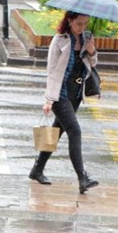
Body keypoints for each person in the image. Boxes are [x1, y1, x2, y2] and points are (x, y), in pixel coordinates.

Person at [29, 11, 99, 193]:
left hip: (76, 94)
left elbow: (92, 64)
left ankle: (37, 169)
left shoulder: (86, 39)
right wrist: (49, 99)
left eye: (85, 24)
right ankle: (82, 177)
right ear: (69, 20)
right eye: (79, 24)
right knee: (75, 131)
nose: (82, 27)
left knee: (56, 131)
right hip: (61, 94)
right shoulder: (60, 40)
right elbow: (51, 70)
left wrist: (91, 51)